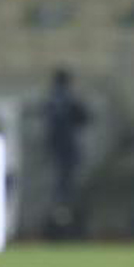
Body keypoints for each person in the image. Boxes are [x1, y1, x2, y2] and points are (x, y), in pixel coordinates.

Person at [43, 68, 89, 237]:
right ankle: (65, 216)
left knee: (60, 183)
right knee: (67, 184)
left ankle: (60, 213)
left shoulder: (51, 99)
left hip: (56, 148)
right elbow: (85, 117)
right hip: (68, 148)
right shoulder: (69, 99)